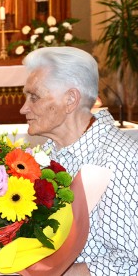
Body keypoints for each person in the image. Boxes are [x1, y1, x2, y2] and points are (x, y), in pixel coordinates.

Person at [20, 46, 138, 275]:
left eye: (34, 97)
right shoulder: (46, 154)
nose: (24, 108)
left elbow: (132, 262)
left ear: (70, 100)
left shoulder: (119, 160)